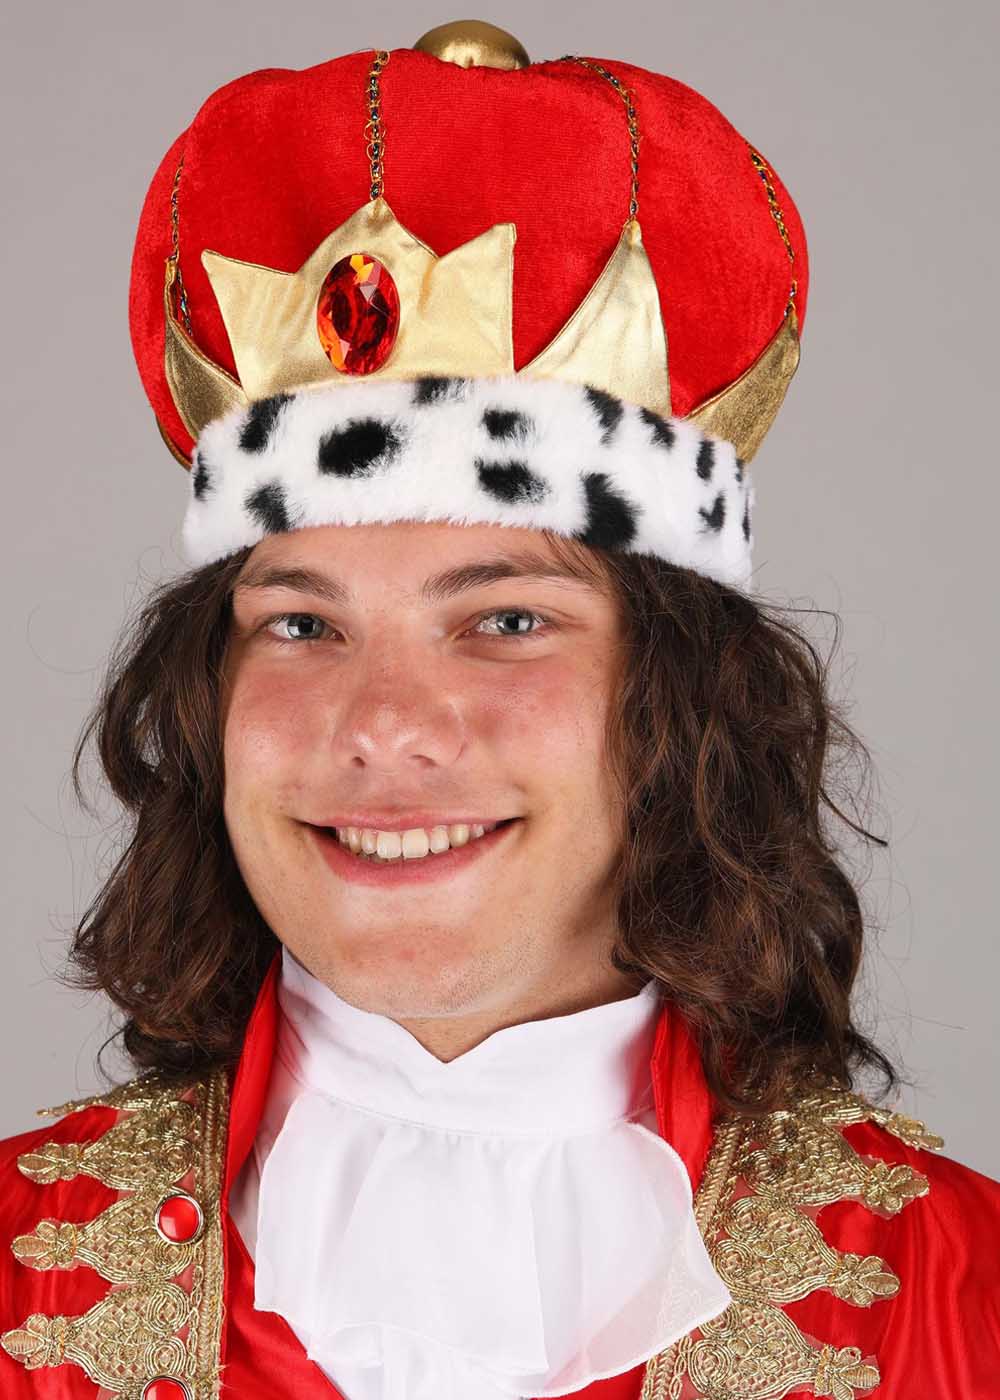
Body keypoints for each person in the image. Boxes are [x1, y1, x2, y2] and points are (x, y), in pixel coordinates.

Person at [1, 19, 997, 1400]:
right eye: (301, 625)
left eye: (507, 621)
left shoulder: (964, 1294)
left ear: (686, 706)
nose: (385, 725)